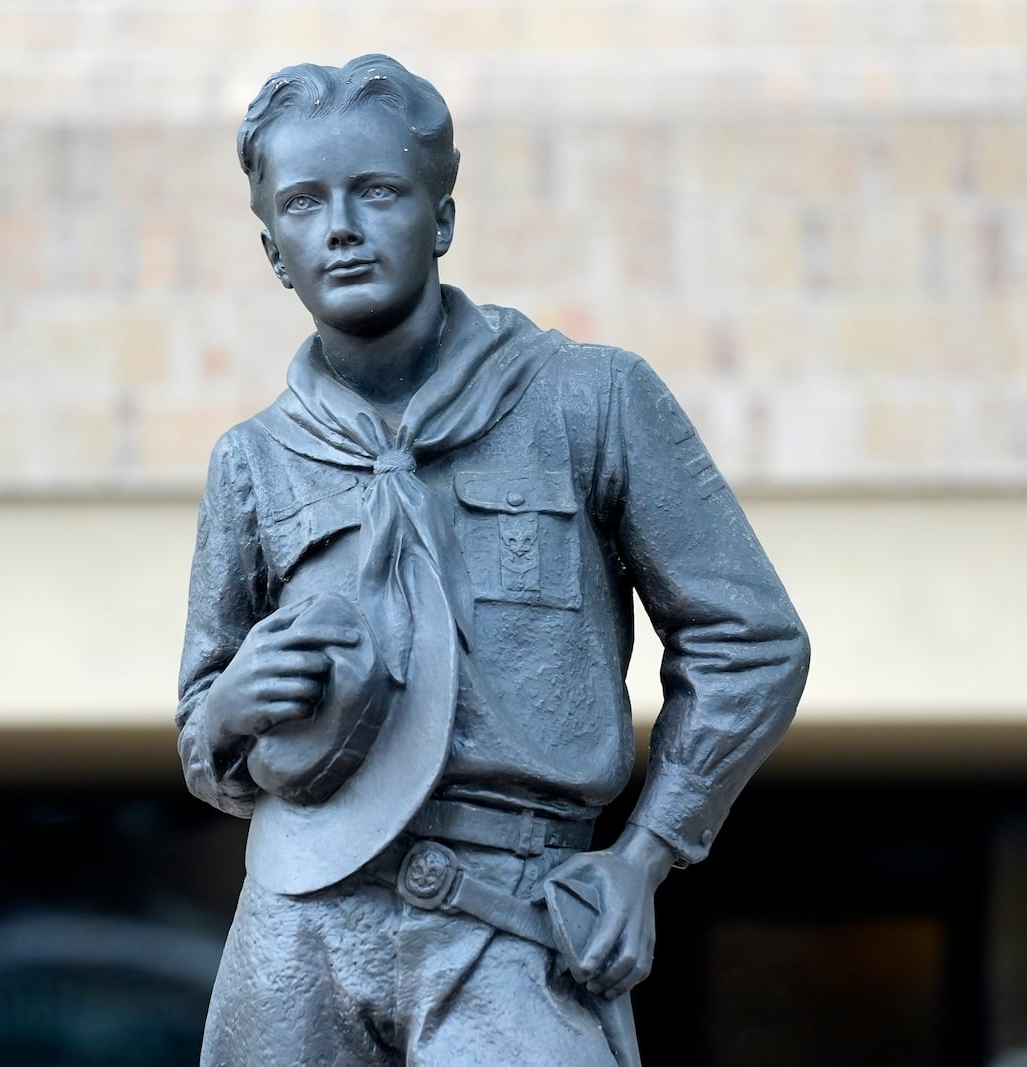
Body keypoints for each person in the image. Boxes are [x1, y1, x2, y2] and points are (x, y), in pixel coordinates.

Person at [175, 54, 809, 1066]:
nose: (339, 225)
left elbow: (750, 642)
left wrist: (643, 858)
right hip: (296, 928)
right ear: (273, 251)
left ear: (440, 219)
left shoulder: (585, 399)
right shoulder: (251, 461)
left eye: (376, 191)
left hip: (508, 919)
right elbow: (201, 733)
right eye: (304, 203)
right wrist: (226, 708)